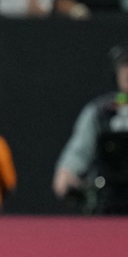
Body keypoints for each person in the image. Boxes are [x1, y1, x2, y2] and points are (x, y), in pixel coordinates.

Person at [53, 45, 128, 215]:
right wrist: (66, 170)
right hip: (109, 193)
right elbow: (79, 148)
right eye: (124, 66)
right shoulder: (100, 110)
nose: (127, 72)